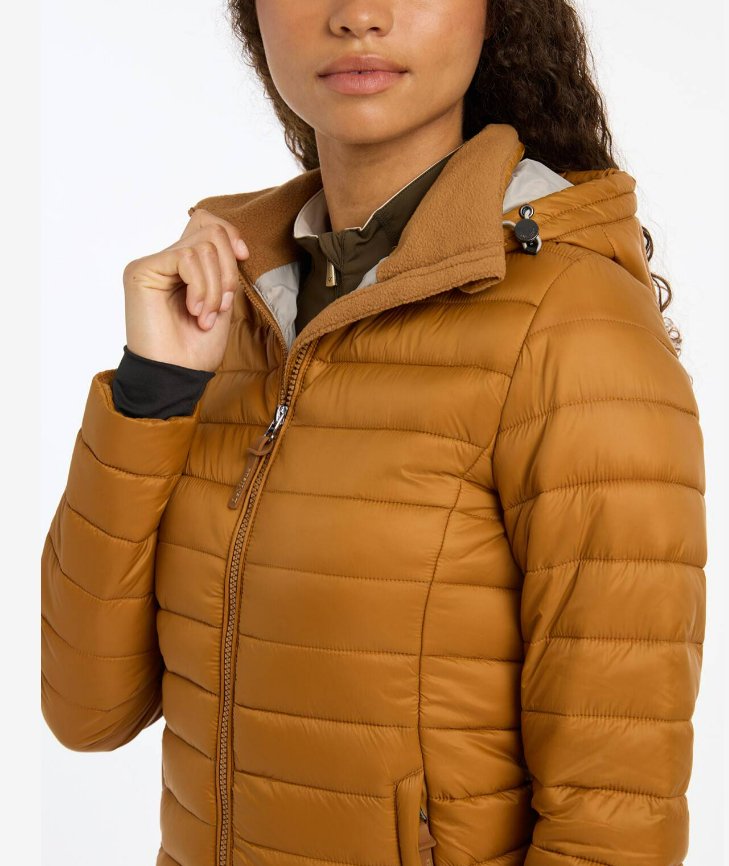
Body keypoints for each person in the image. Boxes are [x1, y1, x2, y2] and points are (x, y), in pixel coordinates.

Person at [40, 2, 707, 865]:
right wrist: (154, 388)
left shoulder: (571, 324)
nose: (358, 15)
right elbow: (85, 709)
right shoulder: (236, 305)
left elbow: (614, 818)